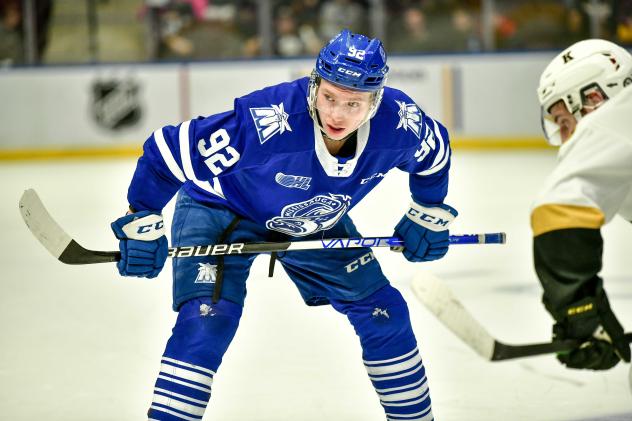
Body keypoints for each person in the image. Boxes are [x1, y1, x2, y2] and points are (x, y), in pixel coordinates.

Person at [111, 29, 455, 420]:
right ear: (314, 85)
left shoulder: (400, 125)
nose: (338, 114)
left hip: (312, 217)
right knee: (207, 322)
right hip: (222, 206)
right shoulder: (268, 122)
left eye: (354, 103)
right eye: (329, 97)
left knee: (386, 314)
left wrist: (428, 211)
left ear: (375, 101)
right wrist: (142, 217)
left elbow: (435, 154)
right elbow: (166, 152)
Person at [532, 38, 632, 371]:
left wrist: (578, 310)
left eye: (563, 121)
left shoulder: (617, 116)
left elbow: (559, 210)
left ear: (593, 98)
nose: (564, 137)